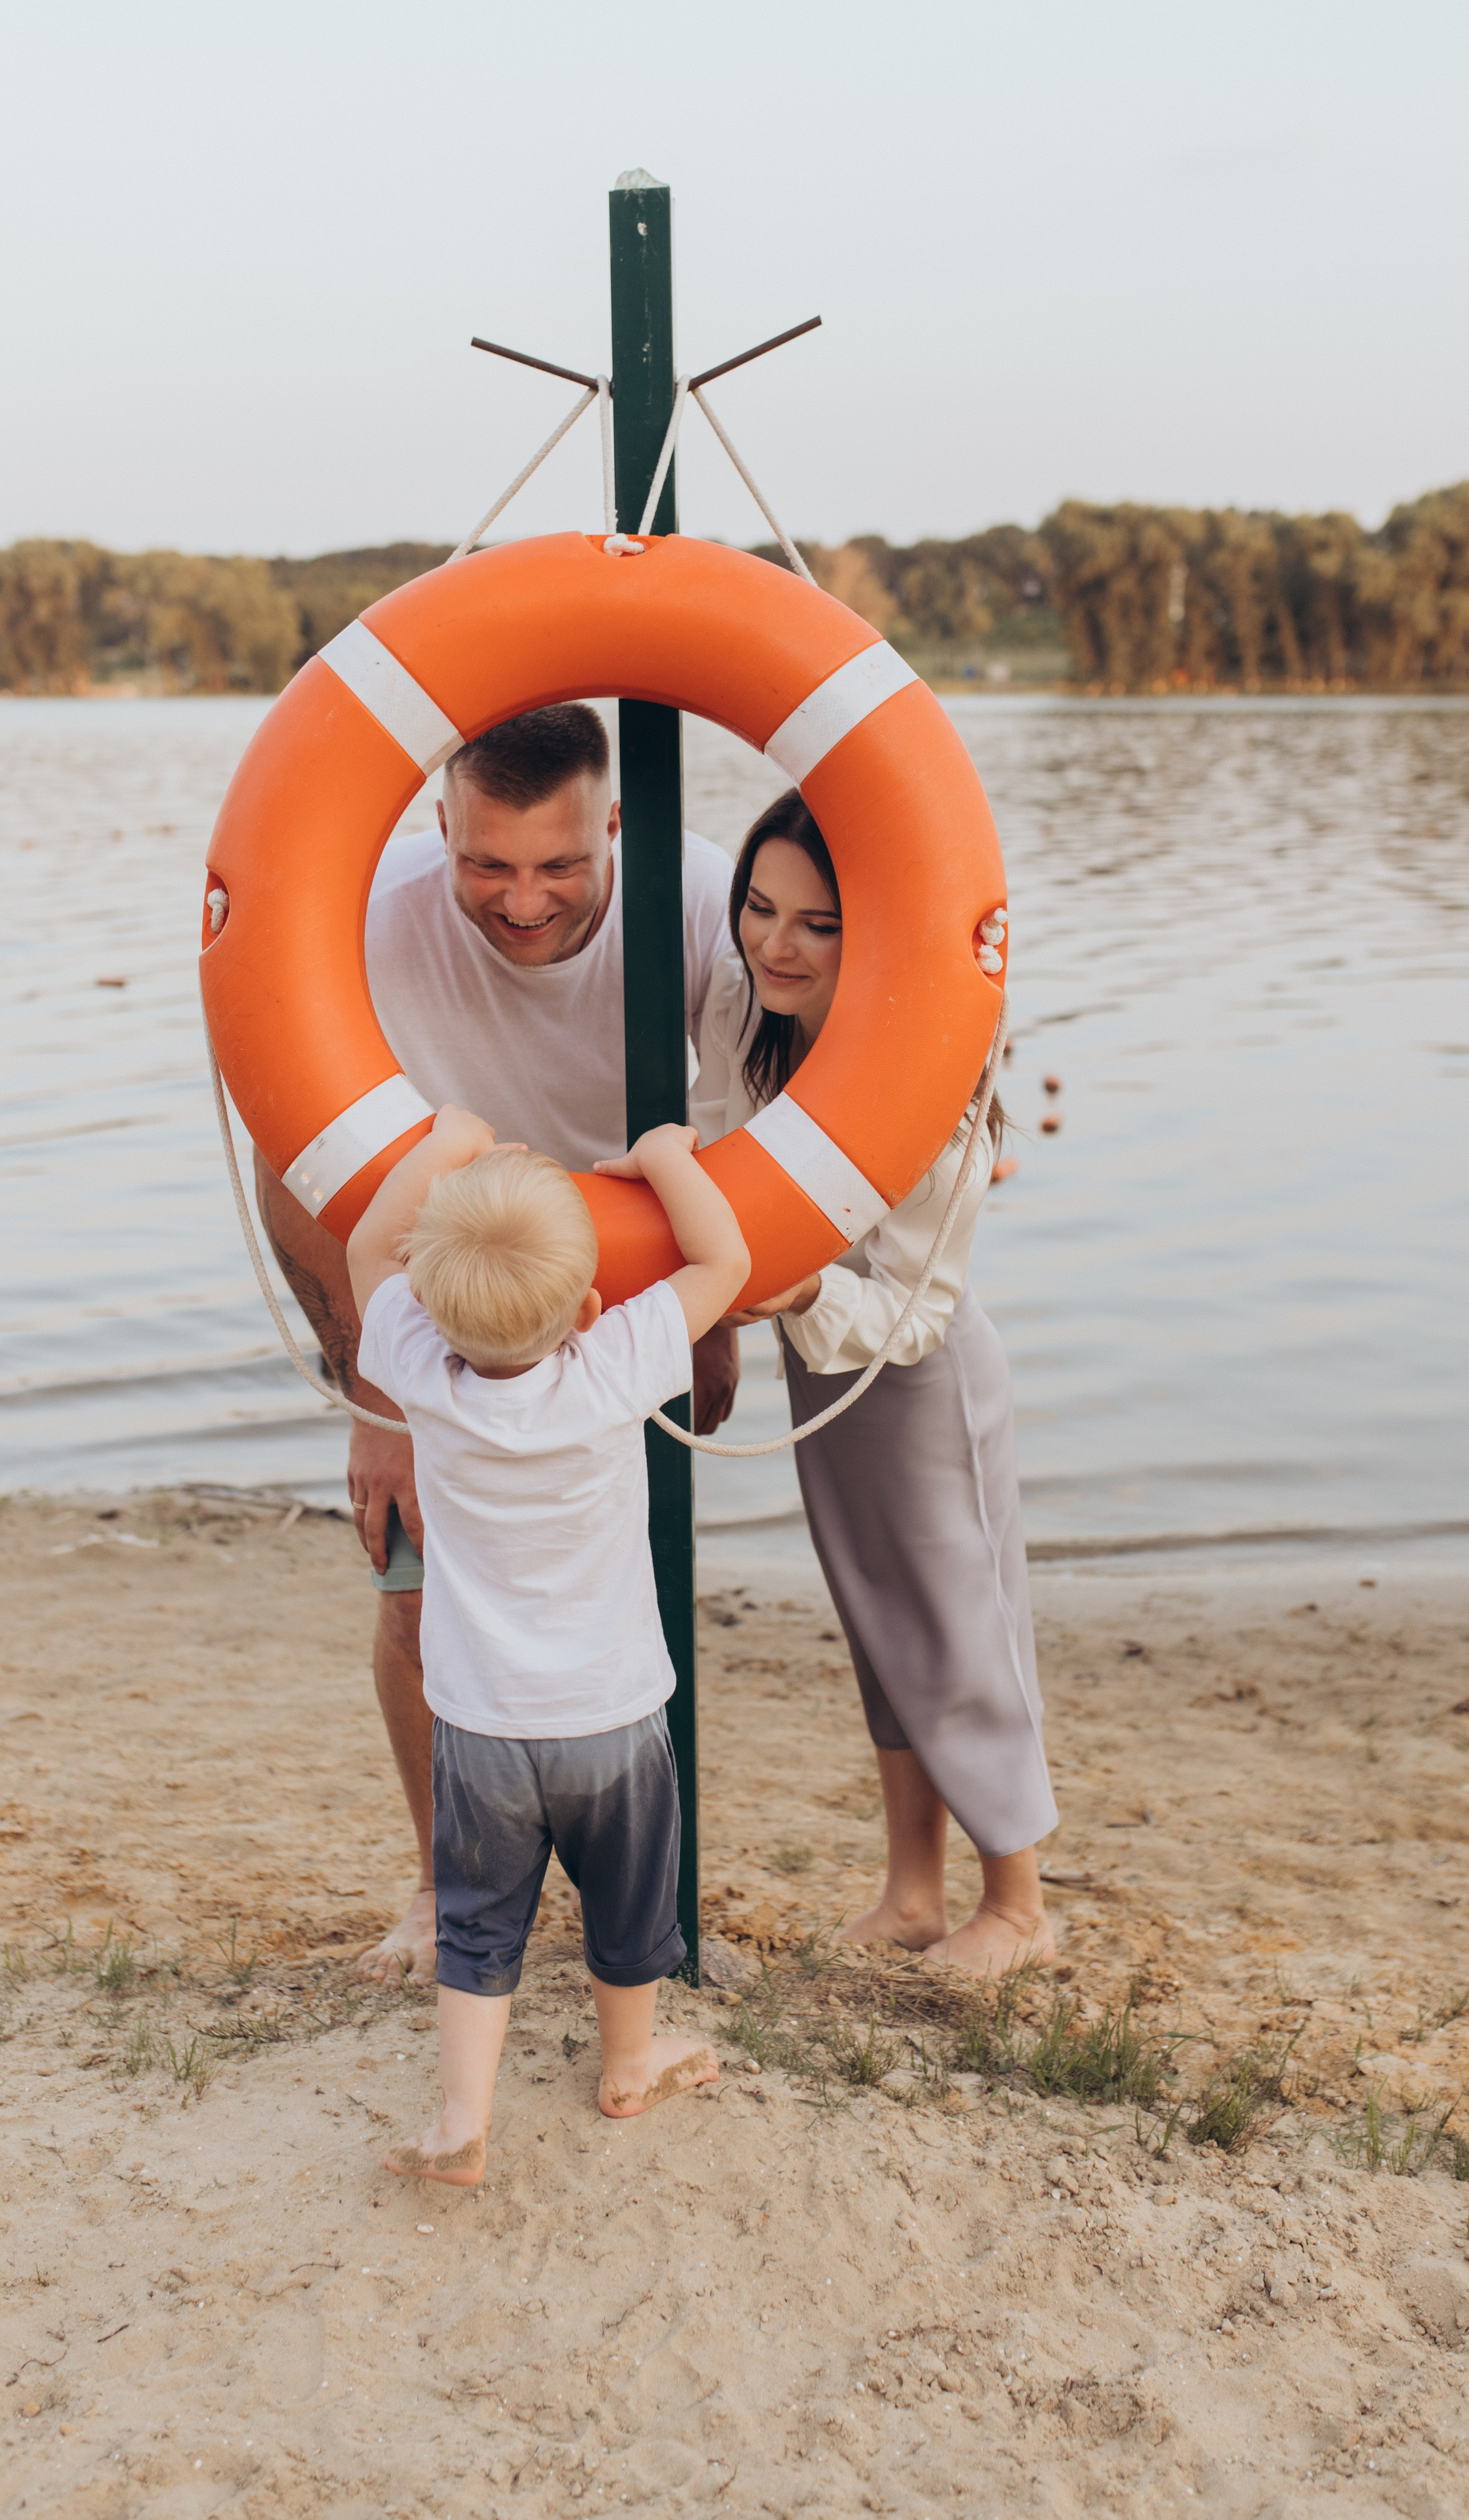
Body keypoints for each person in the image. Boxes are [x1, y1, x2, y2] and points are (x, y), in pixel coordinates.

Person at [253, 703, 739, 1986]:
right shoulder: (374, 918)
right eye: (486, 864)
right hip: (431, 1304)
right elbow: (295, 1167)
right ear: (438, 827)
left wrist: (716, 1313)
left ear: (614, 827)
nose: (522, 901)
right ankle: (440, 1890)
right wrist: (376, 1398)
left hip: (617, 1295)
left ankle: (639, 1924)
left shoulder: (695, 898)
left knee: (625, 1606)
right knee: (418, 1600)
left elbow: (760, 1121)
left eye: (559, 866)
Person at [346, 1104, 749, 2185]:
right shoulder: (614, 1363)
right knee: (629, 1902)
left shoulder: (419, 1369)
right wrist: (665, 1156)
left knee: (479, 1924)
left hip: (481, 1723)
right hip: (613, 1718)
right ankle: (630, 2063)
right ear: (586, 1305)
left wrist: (449, 1142)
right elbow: (727, 1257)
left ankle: (462, 2121)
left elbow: (362, 1248)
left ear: (425, 1306)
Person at [692, 790, 1058, 1976]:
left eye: (817, 924)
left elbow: (922, 1309)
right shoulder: (767, 1039)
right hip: (824, 1386)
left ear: (877, 931)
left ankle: (1019, 1904)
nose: (775, 944)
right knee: (883, 1629)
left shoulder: (927, 1062)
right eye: (758, 908)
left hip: (923, 1384)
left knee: (963, 1635)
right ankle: (914, 1891)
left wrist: (796, 1297)